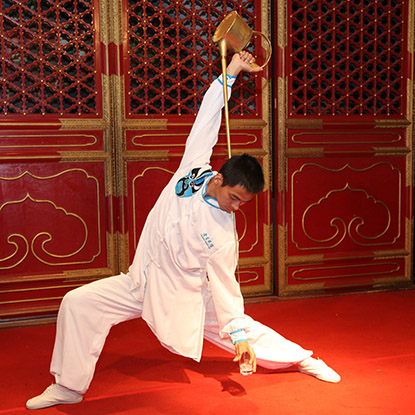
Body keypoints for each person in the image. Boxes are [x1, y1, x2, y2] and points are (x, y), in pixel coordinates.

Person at [26, 51, 341, 410]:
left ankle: (302, 358)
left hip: (183, 294)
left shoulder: (223, 235)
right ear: (218, 179)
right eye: (235, 198)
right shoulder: (192, 170)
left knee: (241, 330)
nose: (237, 208)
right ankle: (68, 386)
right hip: (140, 281)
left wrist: (238, 336)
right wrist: (232, 71)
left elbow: (226, 287)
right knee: (78, 303)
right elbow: (208, 117)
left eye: (244, 203)